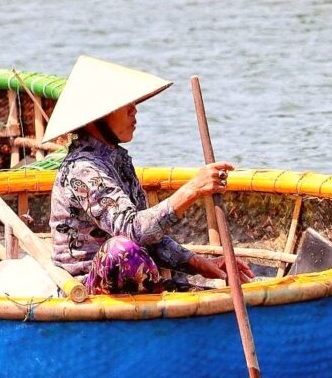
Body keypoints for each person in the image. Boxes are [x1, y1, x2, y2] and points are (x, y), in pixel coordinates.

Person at [45, 55, 254, 295]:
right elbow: (132, 231)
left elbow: (148, 237)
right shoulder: (83, 169)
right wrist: (193, 189)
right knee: (120, 250)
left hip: (133, 280)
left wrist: (200, 264)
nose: (134, 111)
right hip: (84, 292)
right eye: (126, 105)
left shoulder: (117, 161)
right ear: (98, 117)